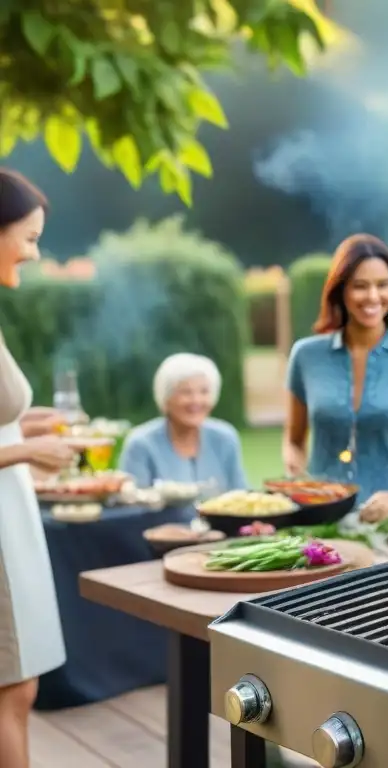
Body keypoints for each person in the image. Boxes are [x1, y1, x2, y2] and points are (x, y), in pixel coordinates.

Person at [0, 169, 86, 768]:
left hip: (14, 520)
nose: (34, 252)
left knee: (18, 688)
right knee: (12, 690)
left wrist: (29, 427)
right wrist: (29, 451)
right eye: (28, 237)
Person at [283, 234, 388, 523]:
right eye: (360, 286)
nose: (373, 297)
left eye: (383, 285)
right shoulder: (305, 355)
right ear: (340, 291)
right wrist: (298, 472)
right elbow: (293, 440)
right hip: (319, 522)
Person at [118, 353, 248, 491]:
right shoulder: (141, 444)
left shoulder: (225, 438)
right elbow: (132, 504)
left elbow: (241, 495)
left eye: (204, 392)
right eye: (186, 392)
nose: (196, 401)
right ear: (166, 399)